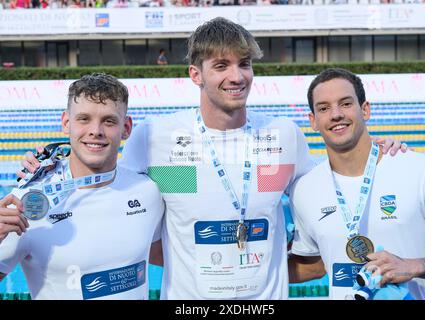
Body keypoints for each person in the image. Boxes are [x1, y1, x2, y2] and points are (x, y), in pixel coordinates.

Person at [19, 19, 404, 300]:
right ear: (195, 74)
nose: (236, 76)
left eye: (244, 64)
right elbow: (108, 195)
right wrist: (48, 163)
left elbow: (332, 197)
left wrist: (377, 152)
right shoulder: (155, 138)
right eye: (221, 65)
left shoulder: (284, 136)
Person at [288, 67, 425, 300]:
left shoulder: (423, 171)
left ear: (365, 109)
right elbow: (314, 264)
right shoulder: (304, 189)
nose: (335, 114)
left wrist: (414, 266)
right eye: (324, 108)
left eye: (345, 103)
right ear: (313, 121)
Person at [0, 73, 164, 300]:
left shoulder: (148, 190)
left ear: (126, 128)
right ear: (66, 123)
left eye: (109, 121)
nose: (95, 131)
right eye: (84, 119)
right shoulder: (27, 202)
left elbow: (166, 253)